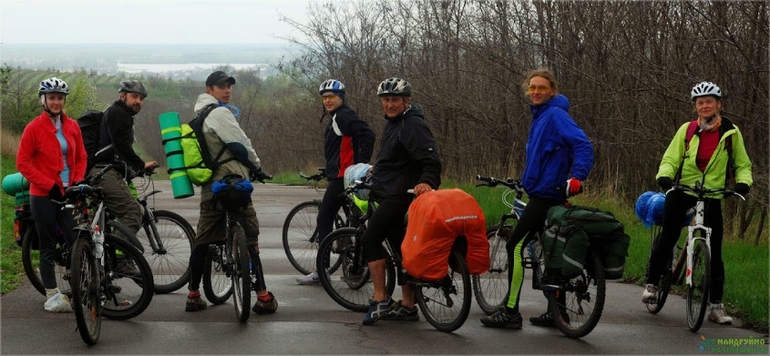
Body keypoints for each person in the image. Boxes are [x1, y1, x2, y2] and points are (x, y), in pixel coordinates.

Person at [480, 68, 594, 329]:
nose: (535, 92)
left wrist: (577, 176)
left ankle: (510, 312)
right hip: (543, 190)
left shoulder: (554, 115)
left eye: (541, 88)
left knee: (515, 246)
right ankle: (558, 313)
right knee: (551, 249)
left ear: (552, 90)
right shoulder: (541, 117)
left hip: (547, 194)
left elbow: (583, 145)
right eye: (532, 88)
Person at [642, 81, 752, 324]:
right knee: (669, 234)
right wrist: (665, 176)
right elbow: (670, 158)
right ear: (695, 107)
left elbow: (742, 164)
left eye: (709, 102)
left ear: (718, 105)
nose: (704, 106)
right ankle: (651, 283)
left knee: (716, 251)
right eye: (700, 103)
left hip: (712, 194)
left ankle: (715, 307)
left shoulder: (731, 133)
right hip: (682, 190)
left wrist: (743, 182)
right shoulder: (687, 130)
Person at [185, 71, 277, 314]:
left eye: (229, 87)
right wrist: (257, 167)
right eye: (220, 86)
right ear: (209, 89)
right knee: (250, 239)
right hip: (233, 182)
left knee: (202, 241)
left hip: (210, 188)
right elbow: (241, 145)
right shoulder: (219, 113)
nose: (227, 90)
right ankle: (264, 297)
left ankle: (193, 296)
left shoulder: (197, 117)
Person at [361, 77, 442, 325]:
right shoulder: (395, 123)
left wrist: (427, 181)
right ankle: (408, 305)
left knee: (370, 239)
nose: (389, 104)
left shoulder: (412, 124)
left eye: (395, 99)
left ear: (407, 101)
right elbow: (397, 157)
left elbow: (430, 158)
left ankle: (380, 298)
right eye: (385, 100)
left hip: (398, 195)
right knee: (402, 250)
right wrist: (378, 169)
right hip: (389, 189)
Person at [17, 77, 88, 312]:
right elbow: (23, 163)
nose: (56, 102)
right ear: (43, 100)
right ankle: (52, 294)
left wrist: (76, 182)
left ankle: (79, 285)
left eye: (60, 98)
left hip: (69, 192)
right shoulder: (34, 128)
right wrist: (49, 184)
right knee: (47, 245)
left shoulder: (72, 126)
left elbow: (81, 158)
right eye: (52, 98)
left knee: (77, 240)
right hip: (43, 195)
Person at [296, 79, 375, 285]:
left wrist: (361, 165)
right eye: (324, 97)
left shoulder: (343, 116)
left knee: (324, 218)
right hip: (342, 175)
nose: (327, 100)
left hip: (343, 178)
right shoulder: (337, 117)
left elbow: (367, 134)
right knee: (355, 222)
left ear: (342, 97)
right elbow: (341, 149)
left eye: (331, 96)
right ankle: (359, 267)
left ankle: (322, 273)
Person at [91, 80, 158, 236]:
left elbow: (115, 149)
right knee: (133, 213)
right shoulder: (118, 113)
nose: (138, 102)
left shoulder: (119, 113)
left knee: (105, 217)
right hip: (104, 172)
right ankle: (121, 257)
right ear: (123, 96)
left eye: (141, 99)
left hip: (103, 170)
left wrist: (133, 170)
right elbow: (121, 146)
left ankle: (103, 255)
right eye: (134, 96)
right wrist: (140, 165)